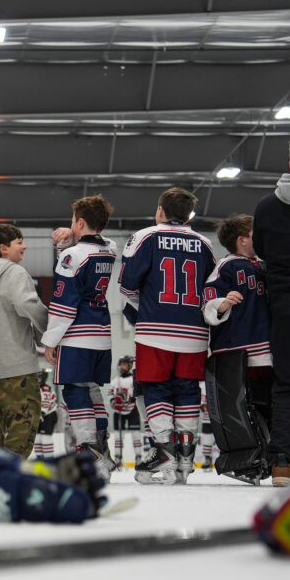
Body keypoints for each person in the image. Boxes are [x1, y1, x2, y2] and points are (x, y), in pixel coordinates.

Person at [120, 187, 216, 484]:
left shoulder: (145, 236)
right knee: (187, 389)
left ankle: (165, 450)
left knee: (156, 388)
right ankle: (186, 454)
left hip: (154, 331)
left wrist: (146, 308)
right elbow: (212, 289)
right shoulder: (204, 243)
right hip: (194, 332)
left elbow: (127, 286)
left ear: (160, 210)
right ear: (188, 215)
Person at [43, 195, 119, 480]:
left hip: (77, 334)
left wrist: (50, 340)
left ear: (81, 222)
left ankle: (90, 451)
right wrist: (72, 234)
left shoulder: (72, 256)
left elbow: (64, 304)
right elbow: (98, 240)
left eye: (74, 220)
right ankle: (102, 448)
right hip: (102, 333)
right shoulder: (110, 249)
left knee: (75, 391)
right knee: (93, 390)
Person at [0, 223, 48, 478]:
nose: (24, 246)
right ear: (4, 248)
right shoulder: (15, 272)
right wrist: (48, 332)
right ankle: (8, 468)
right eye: (19, 242)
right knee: (25, 415)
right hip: (14, 357)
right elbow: (26, 304)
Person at [202, 214, 273, 480]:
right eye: (255, 233)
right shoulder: (227, 266)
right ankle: (246, 462)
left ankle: (268, 459)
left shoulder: (266, 265)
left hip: (269, 353)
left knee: (269, 408)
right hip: (239, 354)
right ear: (242, 240)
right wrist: (221, 304)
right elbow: (208, 301)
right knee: (244, 410)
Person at [253, 136, 290, 486]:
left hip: (285, 307)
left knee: (288, 384)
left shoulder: (267, 207)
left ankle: (282, 461)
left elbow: (261, 250)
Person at [108, 355, 143, 468]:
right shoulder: (115, 381)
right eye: (121, 364)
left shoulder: (134, 380)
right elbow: (110, 394)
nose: (122, 367)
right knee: (118, 437)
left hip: (132, 410)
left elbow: (136, 393)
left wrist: (129, 398)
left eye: (124, 364)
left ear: (130, 366)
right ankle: (118, 459)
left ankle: (138, 459)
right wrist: (113, 401)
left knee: (136, 436)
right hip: (118, 412)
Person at [34, 370, 59, 459]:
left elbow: (45, 403)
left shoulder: (45, 388)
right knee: (37, 438)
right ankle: (39, 459)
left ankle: (49, 460)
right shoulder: (36, 388)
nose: (38, 379)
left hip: (48, 416)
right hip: (40, 416)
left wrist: (41, 413)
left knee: (45, 439)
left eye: (39, 378)